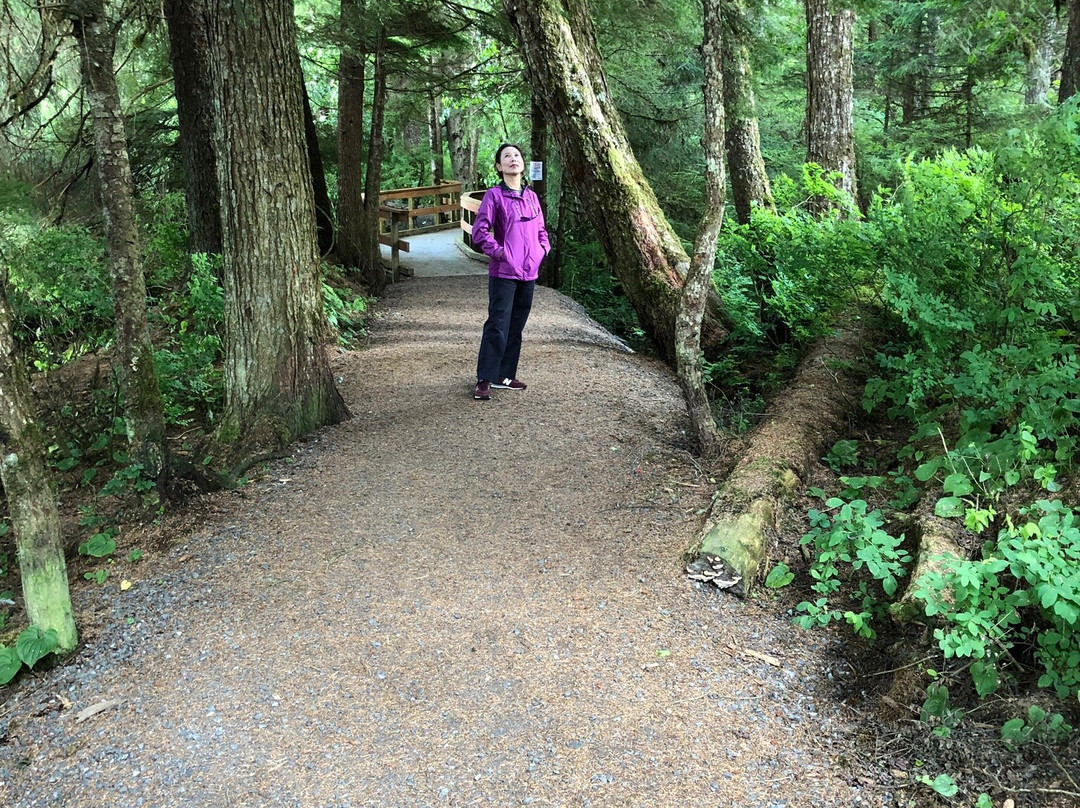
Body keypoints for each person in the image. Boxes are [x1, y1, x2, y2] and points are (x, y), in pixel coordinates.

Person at [470, 143, 550, 401]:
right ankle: (485, 378)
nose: (513, 159)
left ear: (523, 164)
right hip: (504, 272)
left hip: (529, 273)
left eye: (516, 155)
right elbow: (479, 232)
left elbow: (541, 232)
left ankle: (504, 376)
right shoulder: (494, 196)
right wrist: (502, 253)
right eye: (507, 156)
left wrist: (542, 251)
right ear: (499, 166)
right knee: (497, 324)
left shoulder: (532, 197)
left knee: (516, 326)